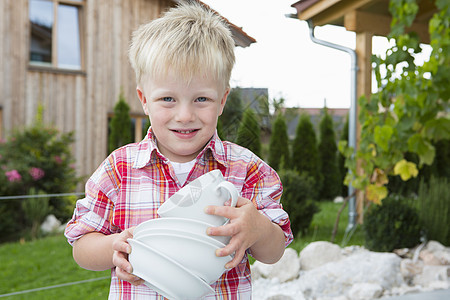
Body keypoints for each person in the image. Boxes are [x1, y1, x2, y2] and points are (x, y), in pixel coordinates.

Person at [65, 2, 293, 299]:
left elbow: (275, 251)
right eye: (168, 99)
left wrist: (258, 229)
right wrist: (114, 248)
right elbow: (82, 245)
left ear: (222, 100)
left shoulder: (246, 169)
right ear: (144, 99)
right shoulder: (119, 169)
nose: (185, 115)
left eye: (201, 99)